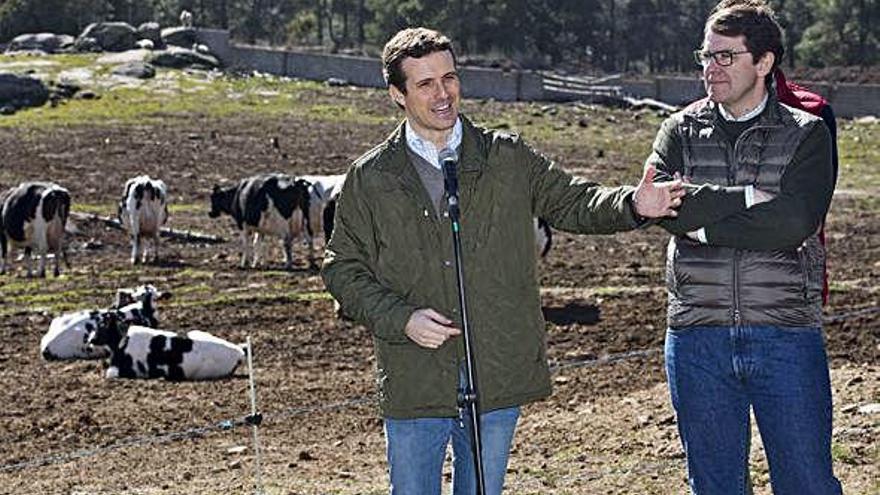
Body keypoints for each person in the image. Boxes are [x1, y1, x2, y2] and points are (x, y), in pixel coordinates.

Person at [321, 27, 692, 495]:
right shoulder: (370, 177)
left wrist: (634, 205)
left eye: (449, 78)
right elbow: (342, 268)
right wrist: (402, 319)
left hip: (494, 369)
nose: (443, 94)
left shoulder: (507, 157)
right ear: (397, 94)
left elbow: (574, 201)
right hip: (415, 372)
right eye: (425, 84)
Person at [647, 1, 842, 493]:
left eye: (726, 57)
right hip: (696, 339)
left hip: (785, 336)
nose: (711, 69)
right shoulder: (678, 130)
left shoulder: (807, 134)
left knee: (807, 484)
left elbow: (794, 223)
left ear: (764, 62)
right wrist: (751, 199)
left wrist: (704, 224)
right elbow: (665, 206)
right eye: (706, 56)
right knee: (713, 486)